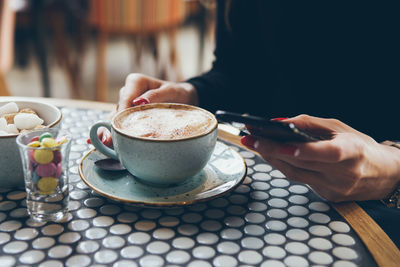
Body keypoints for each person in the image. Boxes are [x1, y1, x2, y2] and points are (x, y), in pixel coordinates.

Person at [101, 0, 400, 247]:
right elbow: (241, 70)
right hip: (273, 193)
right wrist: (190, 93)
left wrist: (391, 171)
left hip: (380, 208)